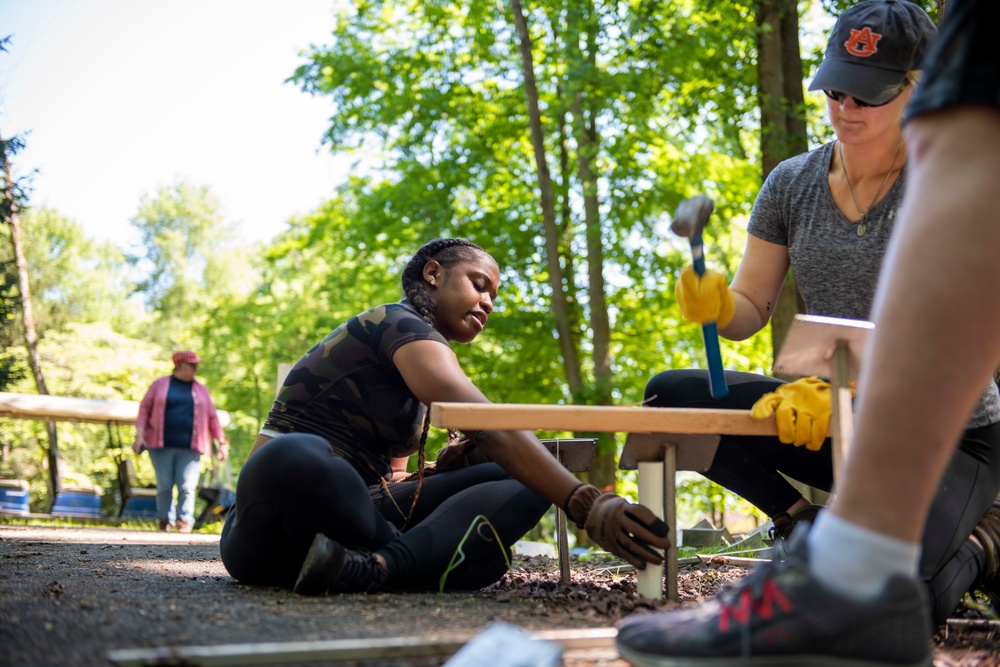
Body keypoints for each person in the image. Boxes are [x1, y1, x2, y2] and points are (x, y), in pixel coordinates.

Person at [615, 0, 1000, 665]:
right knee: (673, 394)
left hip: (957, 433)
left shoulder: (955, 183)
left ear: (921, 89)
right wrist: (715, 303)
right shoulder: (792, 183)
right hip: (834, 411)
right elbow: (748, 311)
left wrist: (853, 387)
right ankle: (807, 527)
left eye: (869, 95)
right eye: (835, 89)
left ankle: (987, 538)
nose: (845, 107)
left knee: (917, 592)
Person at [219, 238, 670, 595]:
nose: (489, 302)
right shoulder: (399, 324)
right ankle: (430, 561)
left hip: (352, 536)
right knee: (298, 454)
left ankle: (378, 569)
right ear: (433, 274)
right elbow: (487, 422)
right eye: (479, 284)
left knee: (530, 473)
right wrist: (583, 502)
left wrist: (442, 470)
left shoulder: (422, 362)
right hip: (269, 530)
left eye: (494, 295)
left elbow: (390, 487)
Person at [134, 350, 229, 533]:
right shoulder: (160, 385)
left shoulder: (201, 389)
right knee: (165, 485)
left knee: (187, 485)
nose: (195, 368)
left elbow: (212, 418)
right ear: (179, 365)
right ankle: (165, 520)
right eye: (191, 364)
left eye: (196, 365)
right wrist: (139, 436)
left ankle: (184, 520)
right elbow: (144, 410)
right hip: (160, 445)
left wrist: (221, 443)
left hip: (191, 447)